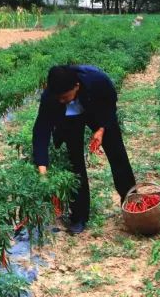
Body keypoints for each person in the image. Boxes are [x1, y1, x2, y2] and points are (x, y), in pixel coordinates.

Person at [32, 65, 136, 235]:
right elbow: (41, 131)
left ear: (76, 87)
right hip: (69, 120)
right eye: (58, 97)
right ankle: (79, 216)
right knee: (75, 163)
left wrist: (101, 129)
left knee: (117, 153)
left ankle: (131, 200)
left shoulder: (97, 81)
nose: (61, 100)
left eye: (65, 97)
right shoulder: (51, 97)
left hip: (96, 110)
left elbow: (110, 102)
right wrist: (42, 170)